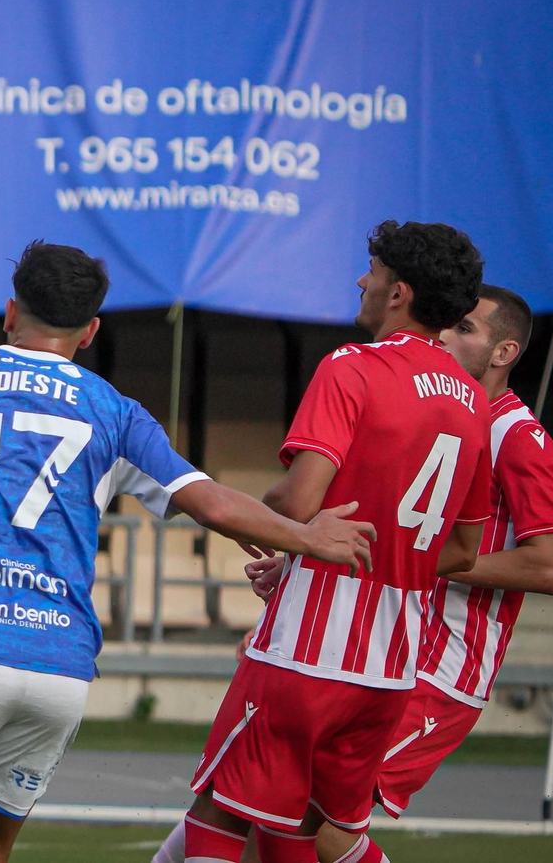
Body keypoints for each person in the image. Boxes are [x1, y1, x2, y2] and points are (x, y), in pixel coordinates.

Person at [0, 241, 378, 863]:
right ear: (90, 332)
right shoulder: (116, 411)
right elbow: (212, 504)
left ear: (8, 313)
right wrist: (306, 536)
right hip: (58, 667)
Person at [151, 286, 553, 863]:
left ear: (504, 353)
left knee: (309, 824)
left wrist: (403, 561)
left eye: (466, 329)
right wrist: (307, 555)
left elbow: (549, 566)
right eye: (449, 323)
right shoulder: (441, 405)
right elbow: (379, 526)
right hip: (379, 640)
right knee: (269, 805)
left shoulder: (516, 437)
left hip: (441, 667)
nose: (447, 334)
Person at [179, 221, 492, 863]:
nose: (361, 280)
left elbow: (299, 502)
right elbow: (462, 552)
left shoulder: (354, 367)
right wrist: (325, 553)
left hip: (312, 644)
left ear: (398, 291)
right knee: (307, 832)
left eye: (372, 269)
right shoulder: (472, 404)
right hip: (394, 664)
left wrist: (283, 528)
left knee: (219, 811)